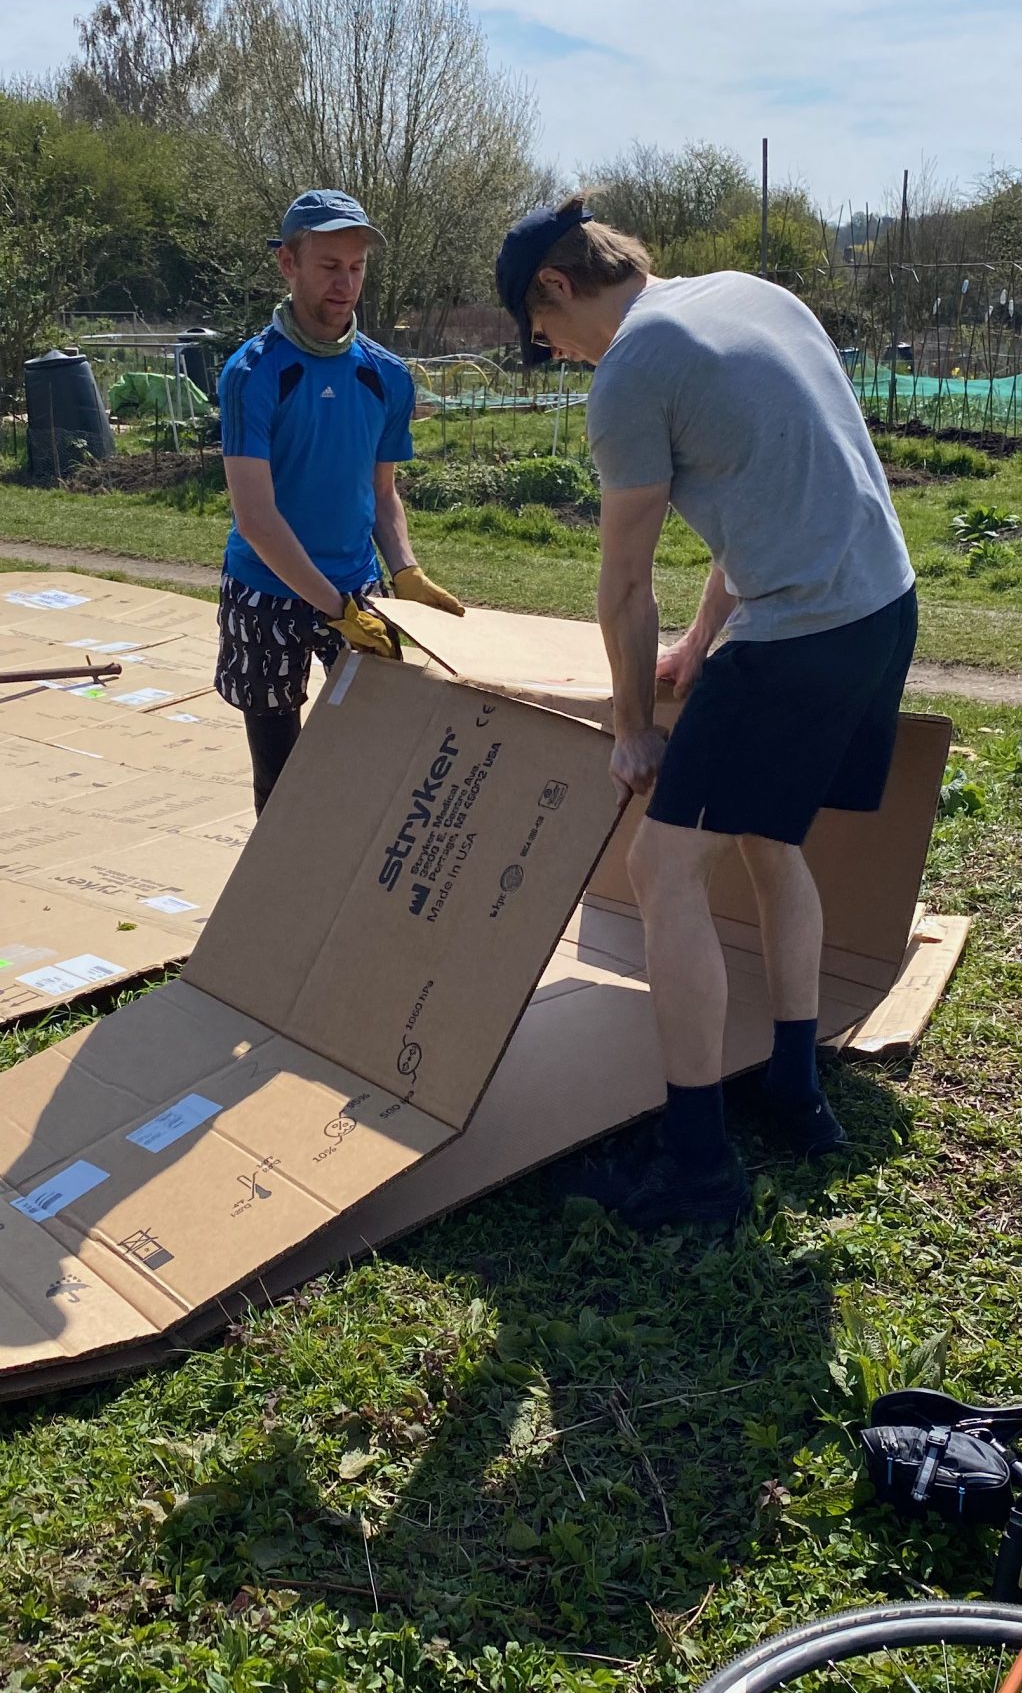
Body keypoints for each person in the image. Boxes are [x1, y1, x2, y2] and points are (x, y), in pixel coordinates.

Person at [494, 195, 918, 1228]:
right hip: (884, 607)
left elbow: (622, 580)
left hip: (802, 630)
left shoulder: (636, 364)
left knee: (660, 863)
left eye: (544, 339)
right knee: (770, 840)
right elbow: (759, 499)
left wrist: (635, 722)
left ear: (555, 287)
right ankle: (795, 1090)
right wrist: (700, 643)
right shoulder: (747, 297)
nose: (558, 357)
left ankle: (697, 1166)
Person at [217, 189, 465, 811]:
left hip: (358, 589)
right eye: (329, 266)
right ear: (288, 264)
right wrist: (334, 609)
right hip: (266, 591)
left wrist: (404, 570)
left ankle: (348, 900)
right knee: (278, 779)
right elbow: (257, 518)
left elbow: (382, 494)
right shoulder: (254, 373)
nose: (345, 283)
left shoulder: (387, 375)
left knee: (368, 765)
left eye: (356, 268)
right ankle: (286, 902)